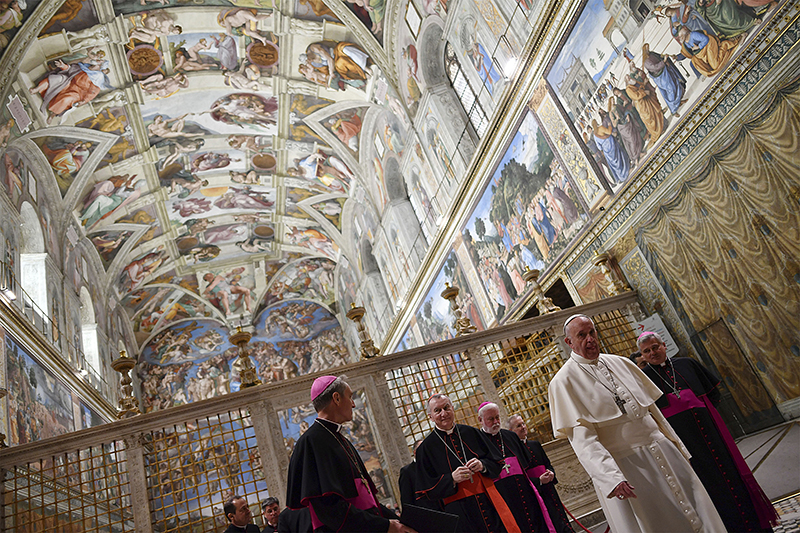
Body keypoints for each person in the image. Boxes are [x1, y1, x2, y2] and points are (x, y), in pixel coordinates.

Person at [548, 314, 726, 532]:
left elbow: (653, 412)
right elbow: (584, 441)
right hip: (627, 466)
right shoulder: (563, 382)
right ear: (569, 342)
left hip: (662, 449)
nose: (590, 339)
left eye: (592, 332)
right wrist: (611, 478)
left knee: (697, 509)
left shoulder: (621, 362)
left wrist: (677, 446)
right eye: (582, 335)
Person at [638, 331, 778, 532]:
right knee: (706, 487)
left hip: (713, 436)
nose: (652, 353)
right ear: (642, 355)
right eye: (647, 351)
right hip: (687, 447)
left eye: (655, 347)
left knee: (732, 474)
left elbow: (713, 395)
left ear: (664, 346)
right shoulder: (643, 378)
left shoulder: (686, 364)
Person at [285, 375, 412, 532]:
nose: (353, 404)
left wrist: (396, 522)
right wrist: (386, 526)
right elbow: (330, 509)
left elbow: (366, 502)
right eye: (350, 397)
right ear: (336, 398)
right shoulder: (311, 442)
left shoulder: (338, 438)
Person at [414, 393, 519, 533]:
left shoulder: (472, 433)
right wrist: (451, 479)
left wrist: (482, 465)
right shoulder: (425, 449)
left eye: (446, 408)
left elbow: (496, 462)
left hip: (489, 502)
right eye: (437, 410)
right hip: (459, 511)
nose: (444, 413)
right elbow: (426, 489)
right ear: (431, 416)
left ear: (452, 408)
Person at [477, 402, 554, 533]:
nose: (496, 422)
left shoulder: (510, 436)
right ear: (480, 420)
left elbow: (524, 464)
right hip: (502, 495)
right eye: (491, 419)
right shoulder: (477, 441)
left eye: (497, 417)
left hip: (524, 491)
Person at [507, 414, 572, 533]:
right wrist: (539, 481)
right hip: (535, 494)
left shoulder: (535, 444)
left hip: (549, 490)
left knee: (561, 521)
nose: (523, 427)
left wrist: (551, 473)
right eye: (518, 426)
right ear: (511, 431)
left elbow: (548, 464)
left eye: (523, 423)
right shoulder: (512, 452)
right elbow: (519, 479)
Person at [397, 441, 439, 511]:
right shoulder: (407, 471)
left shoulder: (434, 466)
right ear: (415, 452)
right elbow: (407, 500)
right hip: (425, 514)